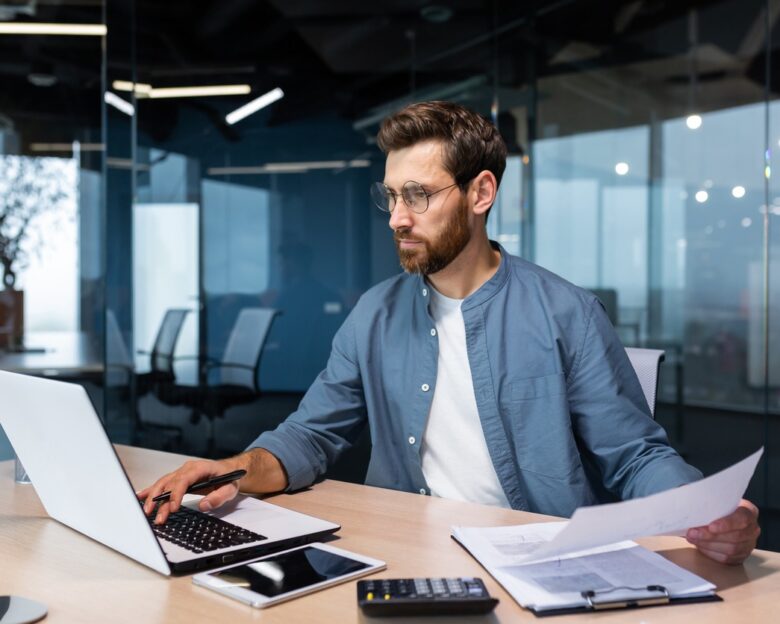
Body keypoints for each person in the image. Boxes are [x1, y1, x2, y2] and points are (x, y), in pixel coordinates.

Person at [139, 101, 760, 565]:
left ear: (481, 192)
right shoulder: (374, 315)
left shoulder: (566, 312)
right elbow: (310, 436)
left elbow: (634, 455)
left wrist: (706, 512)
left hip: (538, 560)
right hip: (402, 551)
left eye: (418, 195)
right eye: (391, 197)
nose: (398, 219)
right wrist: (233, 470)